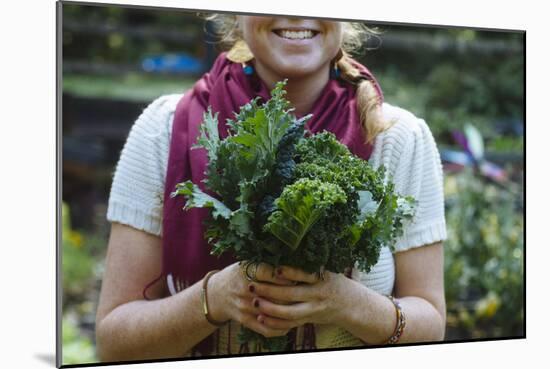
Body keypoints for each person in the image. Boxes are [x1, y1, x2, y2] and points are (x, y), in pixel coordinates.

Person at [95, 14, 447, 362]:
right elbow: (113, 344)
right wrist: (215, 299)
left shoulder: (398, 138)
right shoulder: (165, 130)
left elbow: (431, 324)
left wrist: (349, 305)